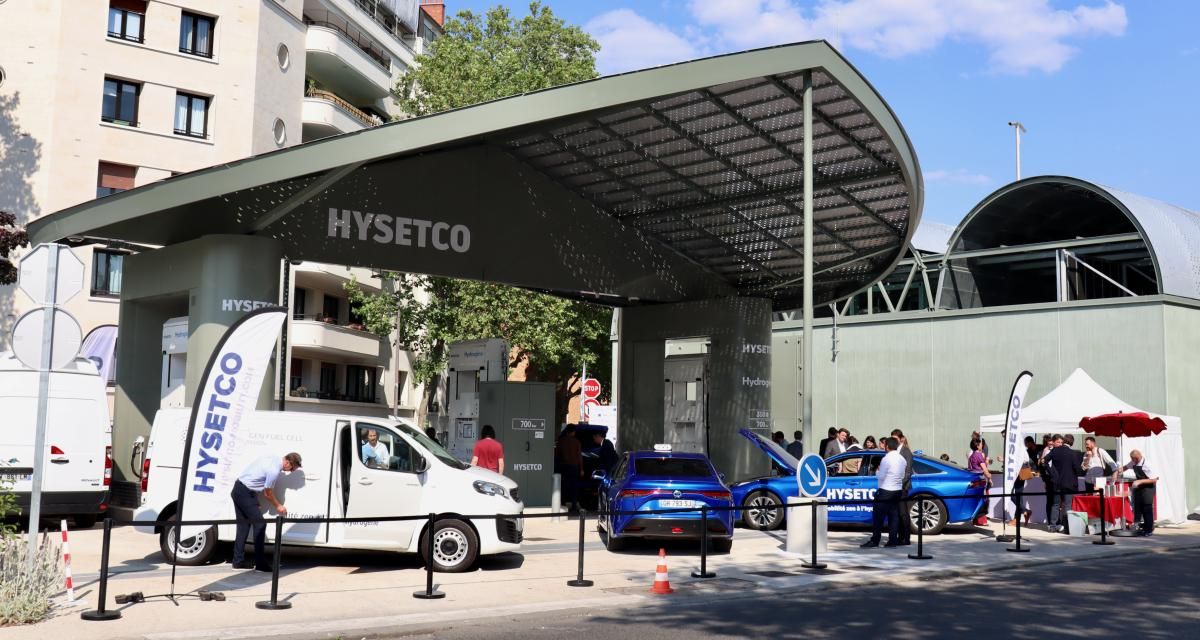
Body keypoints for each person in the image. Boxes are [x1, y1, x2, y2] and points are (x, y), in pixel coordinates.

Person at [231, 453, 301, 571]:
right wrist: (279, 506)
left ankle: (238, 561)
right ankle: (260, 564)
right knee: (260, 524)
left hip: (239, 489)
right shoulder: (274, 470)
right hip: (244, 493)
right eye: (292, 468)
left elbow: (255, 478)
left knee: (243, 526)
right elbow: (267, 493)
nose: (291, 471)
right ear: (288, 462)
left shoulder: (272, 458)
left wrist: (254, 500)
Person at [862, 437, 906, 548]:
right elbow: (902, 475)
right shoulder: (902, 459)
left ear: (887, 446)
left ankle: (875, 540)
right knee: (894, 516)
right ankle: (892, 540)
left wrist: (877, 471)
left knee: (878, 517)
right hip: (897, 490)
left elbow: (881, 476)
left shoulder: (886, 459)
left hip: (885, 490)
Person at [1045, 434, 1083, 532]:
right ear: (1072, 443)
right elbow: (1077, 470)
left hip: (1057, 482)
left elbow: (1045, 460)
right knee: (1068, 505)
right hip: (1070, 483)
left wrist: (1051, 472)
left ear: (1064, 441)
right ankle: (1067, 527)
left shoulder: (1055, 450)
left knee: (1056, 504)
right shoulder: (1074, 453)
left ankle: (1053, 526)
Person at [1115, 450, 1158, 536]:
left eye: (1133, 459)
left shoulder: (1146, 465)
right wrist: (1116, 472)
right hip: (1139, 487)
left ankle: (1149, 529)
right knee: (1138, 507)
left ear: (1137, 457)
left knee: (1147, 508)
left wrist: (1140, 481)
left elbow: (1154, 479)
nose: (1132, 461)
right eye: (1132, 459)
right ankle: (1139, 527)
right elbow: (1126, 467)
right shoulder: (1134, 462)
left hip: (1148, 488)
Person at [891, 429, 914, 544]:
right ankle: (900, 537)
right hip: (894, 486)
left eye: (895, 439)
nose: (893, 441)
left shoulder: (906, 452)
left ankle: (906, 538)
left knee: (903, 513)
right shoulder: (893, 452)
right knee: (897, 513)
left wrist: (900, 484)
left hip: (902, 487)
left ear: (901, 439)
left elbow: (908, 472)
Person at [556, 424, 583, 512]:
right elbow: (579, 456)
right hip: (574, 466)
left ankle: (563, 504)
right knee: (574, 486)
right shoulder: (577, 442)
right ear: (574, 432)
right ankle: (574, 505)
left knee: (563, 486)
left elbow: (557, 454)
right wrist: (582, 469)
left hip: (563, 466)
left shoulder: (561, 441)